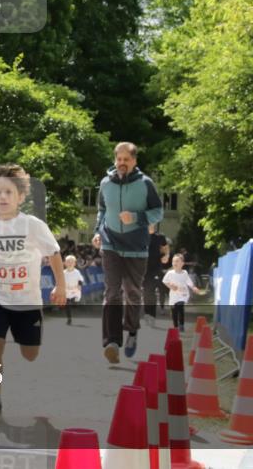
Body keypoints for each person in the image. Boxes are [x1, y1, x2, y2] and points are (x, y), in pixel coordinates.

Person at [0, 163, 66, 421]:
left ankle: (28, 339)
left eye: (9, 192)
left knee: (29, 354)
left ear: (21, 197)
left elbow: (54, 254)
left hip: (27, 300)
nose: (2, 197)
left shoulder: (33, 225)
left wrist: (61, 285)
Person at [92, 141, 163, 363]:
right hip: (111, 243)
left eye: (126, 159)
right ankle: (111, 342)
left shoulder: (145, 184)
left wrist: (136, 218)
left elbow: (158, 211)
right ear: (115, 160)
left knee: (132, 293)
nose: (122, 163)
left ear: (134, 161)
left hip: (136, 247)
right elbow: (102, 210)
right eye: (119, 159)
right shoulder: (106, 183)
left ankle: (131, 331)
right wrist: (97, 231)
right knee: (112, 293)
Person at [162, 254, 204, 332]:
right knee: (174, 311)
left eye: (177, 261)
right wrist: (171, 286)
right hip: (174, 295)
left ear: (182, 263)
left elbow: (188, 281)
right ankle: (175, 326)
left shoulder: (184, 273)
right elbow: (164, 281)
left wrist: (193, 287)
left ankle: (181, 325)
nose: (175, 263)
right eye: (173, 261)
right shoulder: (170, 273)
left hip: (183, 294)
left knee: (180, 307)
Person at [143, 227, 171, 324]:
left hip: (156, 268)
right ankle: (147, 313)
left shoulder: (160, 236)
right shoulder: (140, 234)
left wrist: (166, 256)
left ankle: (152, 315)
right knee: (147, 292)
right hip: (143, 268)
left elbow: (166, 248)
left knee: (153, 291)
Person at [64, 254, 85, 325]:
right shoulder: (63, 273)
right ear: (65, 263)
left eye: (71, 262)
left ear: (74, 263)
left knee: (74, 302)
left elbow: (81, 279)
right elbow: (60, 281)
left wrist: (79, 285)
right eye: (68, 262)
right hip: (67, 290)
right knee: (67, 305)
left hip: (75, 290)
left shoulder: (77, 272)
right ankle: (69, 318)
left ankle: (74, 302)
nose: (70, 263)